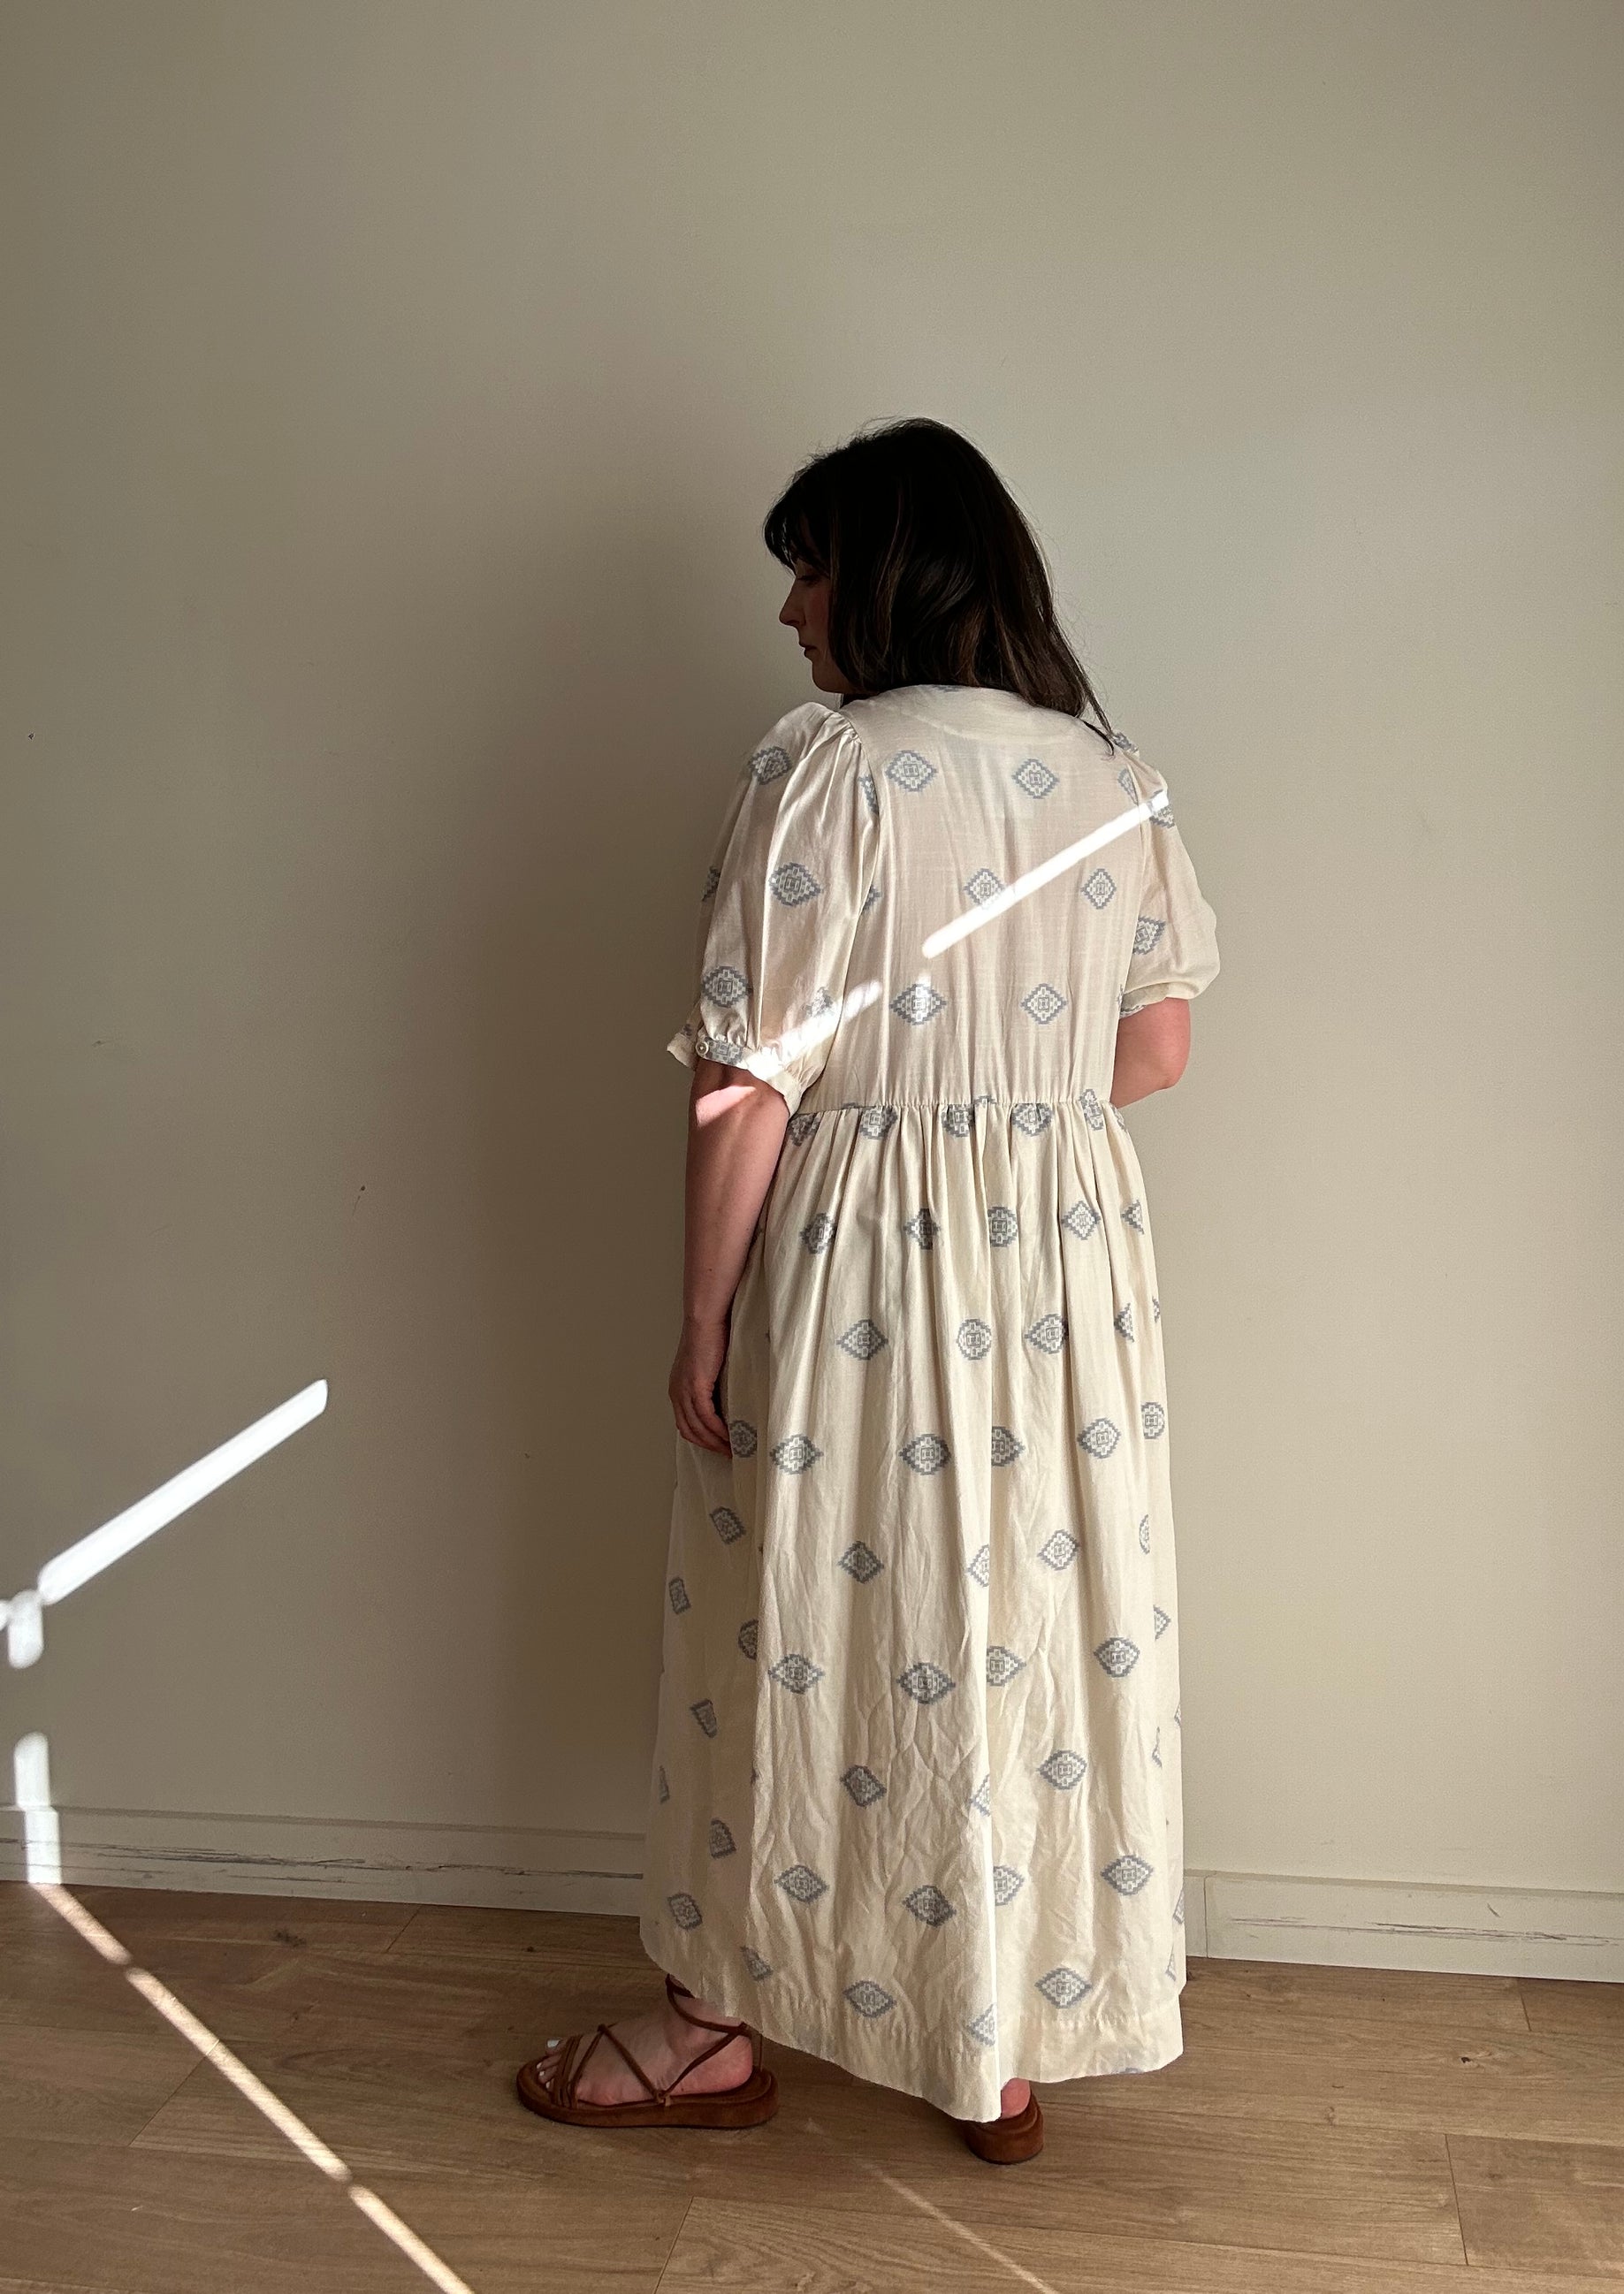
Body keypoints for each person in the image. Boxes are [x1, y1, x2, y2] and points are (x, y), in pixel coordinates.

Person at [517, 416, 1221, 2163]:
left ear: (888, 572)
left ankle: (707, 2036)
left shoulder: (828, 765)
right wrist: (1003, 1118)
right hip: (1063, 1266)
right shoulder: (1110, 773)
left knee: (798, 1616)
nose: (787, 609)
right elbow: (1155, 1047)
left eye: (810, 567)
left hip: (859, 1259)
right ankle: (997, 2040)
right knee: (1021, 1620)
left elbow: (749, 1074)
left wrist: (704, 1315)